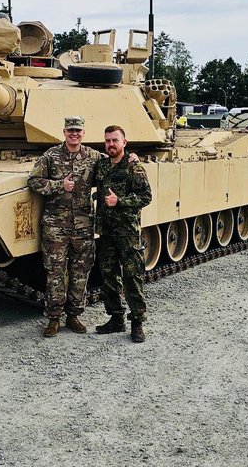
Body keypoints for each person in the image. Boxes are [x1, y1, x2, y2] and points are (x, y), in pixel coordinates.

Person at [27, 116, 99, 337]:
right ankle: (54, 318)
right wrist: (60, 185)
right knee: (55, 272)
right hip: (55, 226)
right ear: (64, 132)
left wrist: (131, 159)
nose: (74, 134)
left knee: (80, 272)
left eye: (77, 130)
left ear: (83, 133)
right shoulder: (50, 156)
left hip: (83, 225)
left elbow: (114, 167)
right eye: (70, 130)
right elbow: (34, 181)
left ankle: (74, 315)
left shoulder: (93, 157)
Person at [93, 125, 153, 343]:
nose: (111, 144)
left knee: (132, 277)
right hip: (106, 232)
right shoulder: (101, 165)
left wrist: (120, 201)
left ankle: (137, 322)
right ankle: (116, 318)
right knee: (108, 275)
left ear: (124, 143)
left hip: (127, 233)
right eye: (107, 140)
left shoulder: (133, 167)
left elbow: (145, 197)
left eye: (115, 140)